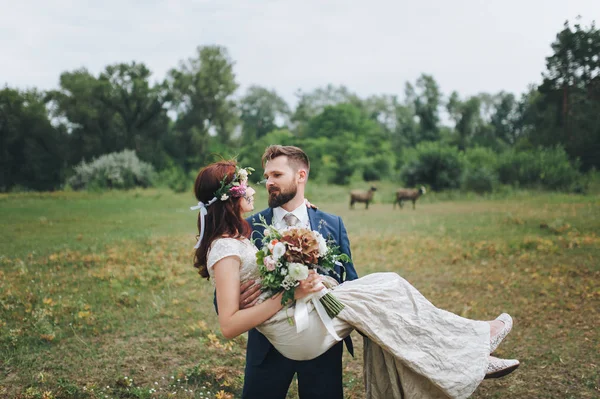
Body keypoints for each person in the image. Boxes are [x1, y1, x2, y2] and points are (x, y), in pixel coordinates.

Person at [192, 149, 519, 399]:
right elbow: (230, 294)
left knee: (385, 291)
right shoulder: (247, 230)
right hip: (269, 346)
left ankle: (463, 360)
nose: (268, 183)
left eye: (276, 174)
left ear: (301, 176)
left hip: (321, 338)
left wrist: (322, 285)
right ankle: (469, 349)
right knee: (387, 286)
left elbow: (349, 278)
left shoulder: (330, 223)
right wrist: (277, 294)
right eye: (264, 177)